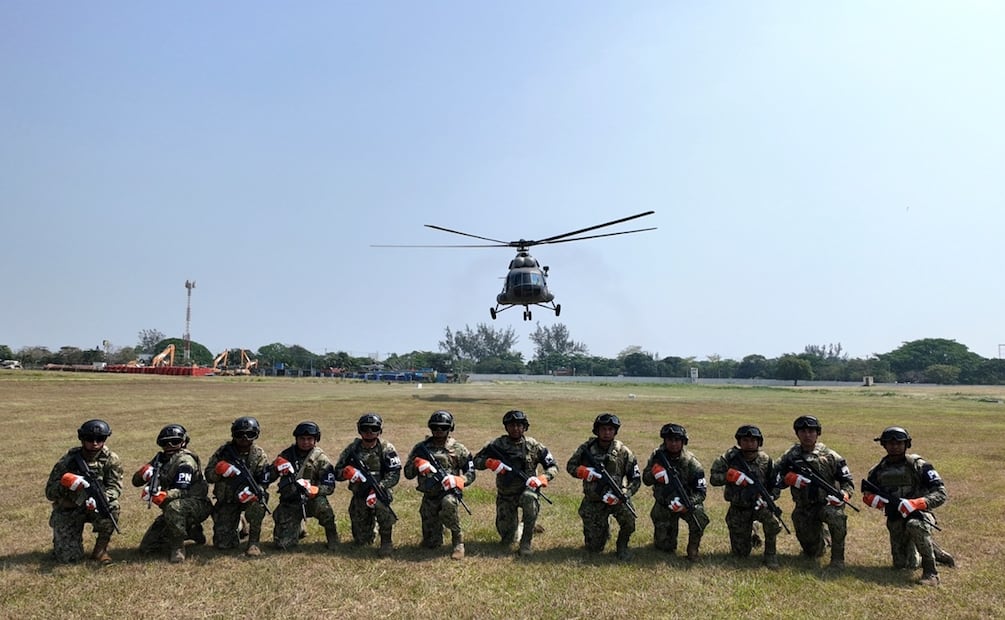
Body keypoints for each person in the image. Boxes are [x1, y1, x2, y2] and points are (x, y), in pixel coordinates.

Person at [863, 426, 955, 586]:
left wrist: (916, 503)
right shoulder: (878, 470)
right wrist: (875, 500)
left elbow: (941, 493)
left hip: (920, 514)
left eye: (899, 443)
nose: (895, 446)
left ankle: (931, 572)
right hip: (896, 518)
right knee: (903, 565)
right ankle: (935, 552)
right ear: (884, 445)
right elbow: (867, 493)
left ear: (907, 444)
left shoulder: (919, 466)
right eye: (890, 443)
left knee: (915, 525)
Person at [473, 410, 559, 556]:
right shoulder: (497, 445)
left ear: (525, 427)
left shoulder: (533, 445)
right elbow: (475, 461)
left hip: (528, 490)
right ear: (506, 427)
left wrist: (541, 479)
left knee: (529, 498)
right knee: (508, 539)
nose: (515, 429)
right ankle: (524, 526)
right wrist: (490, 463)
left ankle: (526, 542)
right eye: (511, 425)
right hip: (506, 495)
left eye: (519, 425)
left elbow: (553, 466)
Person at [775, 415, 854, 569]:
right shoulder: (790, 456)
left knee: (837, 517)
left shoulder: (831, 456)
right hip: (804, 507)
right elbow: (775, 477)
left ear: (818, 433)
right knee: (813, 552)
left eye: (811, 431)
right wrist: (789, 479)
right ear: (797, 434)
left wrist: (844, 495)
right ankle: (823, 539)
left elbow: (847, 481)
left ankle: (838, 559)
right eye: (803, 431)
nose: (807, 435)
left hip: (827, 504)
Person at [45, 419, 123, 564]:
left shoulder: (111, 459)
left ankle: (100, 551)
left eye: (100, 439)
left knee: (112, 508)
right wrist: (67, 483)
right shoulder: (69, 460)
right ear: (82, 439)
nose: (95, 443)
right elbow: (50, 492)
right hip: (70, 508)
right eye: (90, 439)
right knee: (68, 559)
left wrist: (102, 498)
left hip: (95, 505)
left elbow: (115, 487)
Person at [132, 424, 213, 563]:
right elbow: (135, 482)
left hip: (196, 503)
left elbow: (182, 490)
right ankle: (192, 530)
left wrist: (163, 495)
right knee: (147, 548)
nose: (169, 446)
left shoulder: (185, 461)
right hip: (174, 508)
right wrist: (143, 473)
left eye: (175, 442)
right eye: (165, 443)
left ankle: (178, 546)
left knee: (173, 507)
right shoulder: (160, 459)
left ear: (183, 442)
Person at [566, 413, 640, 561]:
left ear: (615, 431)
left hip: (616, 497)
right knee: (594, 548)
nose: (607, 433)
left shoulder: (623, 452)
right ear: (597, 431)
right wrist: (584, 472)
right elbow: (570, 466)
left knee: (629, 519)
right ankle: (602, 530)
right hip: (594, 500)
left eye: (610, 429)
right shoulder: (586, 449)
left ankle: (622, 545)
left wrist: (625, 493)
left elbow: (636, 479)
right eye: (603, 429)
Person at [403, 410, 476, 560]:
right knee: (431, 543)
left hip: (449, 493)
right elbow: (408, 473)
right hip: (429, 495)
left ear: (450, 428)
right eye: (435, 427)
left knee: (448, 503)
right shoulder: (421, 448)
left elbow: (471, 472)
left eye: (443, 427)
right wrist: (418, 464)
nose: (439, 430)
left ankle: (458, 541)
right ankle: (436, 533)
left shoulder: (458, 449)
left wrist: (459, 480)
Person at [709, 425, 782, 568]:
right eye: (745, 440)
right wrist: (729, 476)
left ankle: (770, 554)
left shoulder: (766, 461)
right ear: (739, 442)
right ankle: (752, 530)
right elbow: (713, 479)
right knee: (740, 554)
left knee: (773, 522)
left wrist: (770, 498)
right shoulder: (729, 458)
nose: (749, 444)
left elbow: (776, 485)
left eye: (753, 440)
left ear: (759, 442)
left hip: (760, 506)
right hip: (739, 507)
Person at [334, 413, 402, 557]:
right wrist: (347, 473)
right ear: (359, 430)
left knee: (382, 507)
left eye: (374, 429)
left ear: (380, 430)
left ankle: (386, 541)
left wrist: (380, 487)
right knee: (362, 541)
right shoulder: (352, 449)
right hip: (359, 494)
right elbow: (337, 472)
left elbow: (394, 474)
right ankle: (370, 529)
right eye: (365, 429)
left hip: (380, 492)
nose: (369, 432)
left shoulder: (386, 448)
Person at [204, 416, 271, 557]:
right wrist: (219, 470)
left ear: (256, 435)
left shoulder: (259, 455)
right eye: (240, 434)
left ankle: (253, 542)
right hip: (227, 500)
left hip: (249, 498)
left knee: (259, 503)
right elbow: (209, 476)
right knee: (223, 545)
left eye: (250, 434)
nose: (244, 438)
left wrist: (253, 492)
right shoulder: (223, 452)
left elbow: (264, 480)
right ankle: (239, 523)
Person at [642, 423, 709, 561]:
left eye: (677, 440)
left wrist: (687, 504)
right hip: (664, 503)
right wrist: (654, 473)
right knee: (664, 548)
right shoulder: (657, 456)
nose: (673, 444)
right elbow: (646, 480)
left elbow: (701, 492)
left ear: (683, 442)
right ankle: (665, 539)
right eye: (670, 440)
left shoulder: (692, 463)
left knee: (699, 518)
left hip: (686, 502)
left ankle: (693, 548)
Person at [270, 420, 339, 550]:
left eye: (309, 439)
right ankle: (298, 527)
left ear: (315, 440)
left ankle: (332, 535)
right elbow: (269, 477)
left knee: (324, 508)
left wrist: (316, 490)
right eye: (302, 438)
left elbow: (330, 485)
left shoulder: (320, 458)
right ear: (296, 439)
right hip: (291, 501)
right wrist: (275, 466)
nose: (305, 442)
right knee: (283, 545)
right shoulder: (286, 455)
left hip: (312, 499)